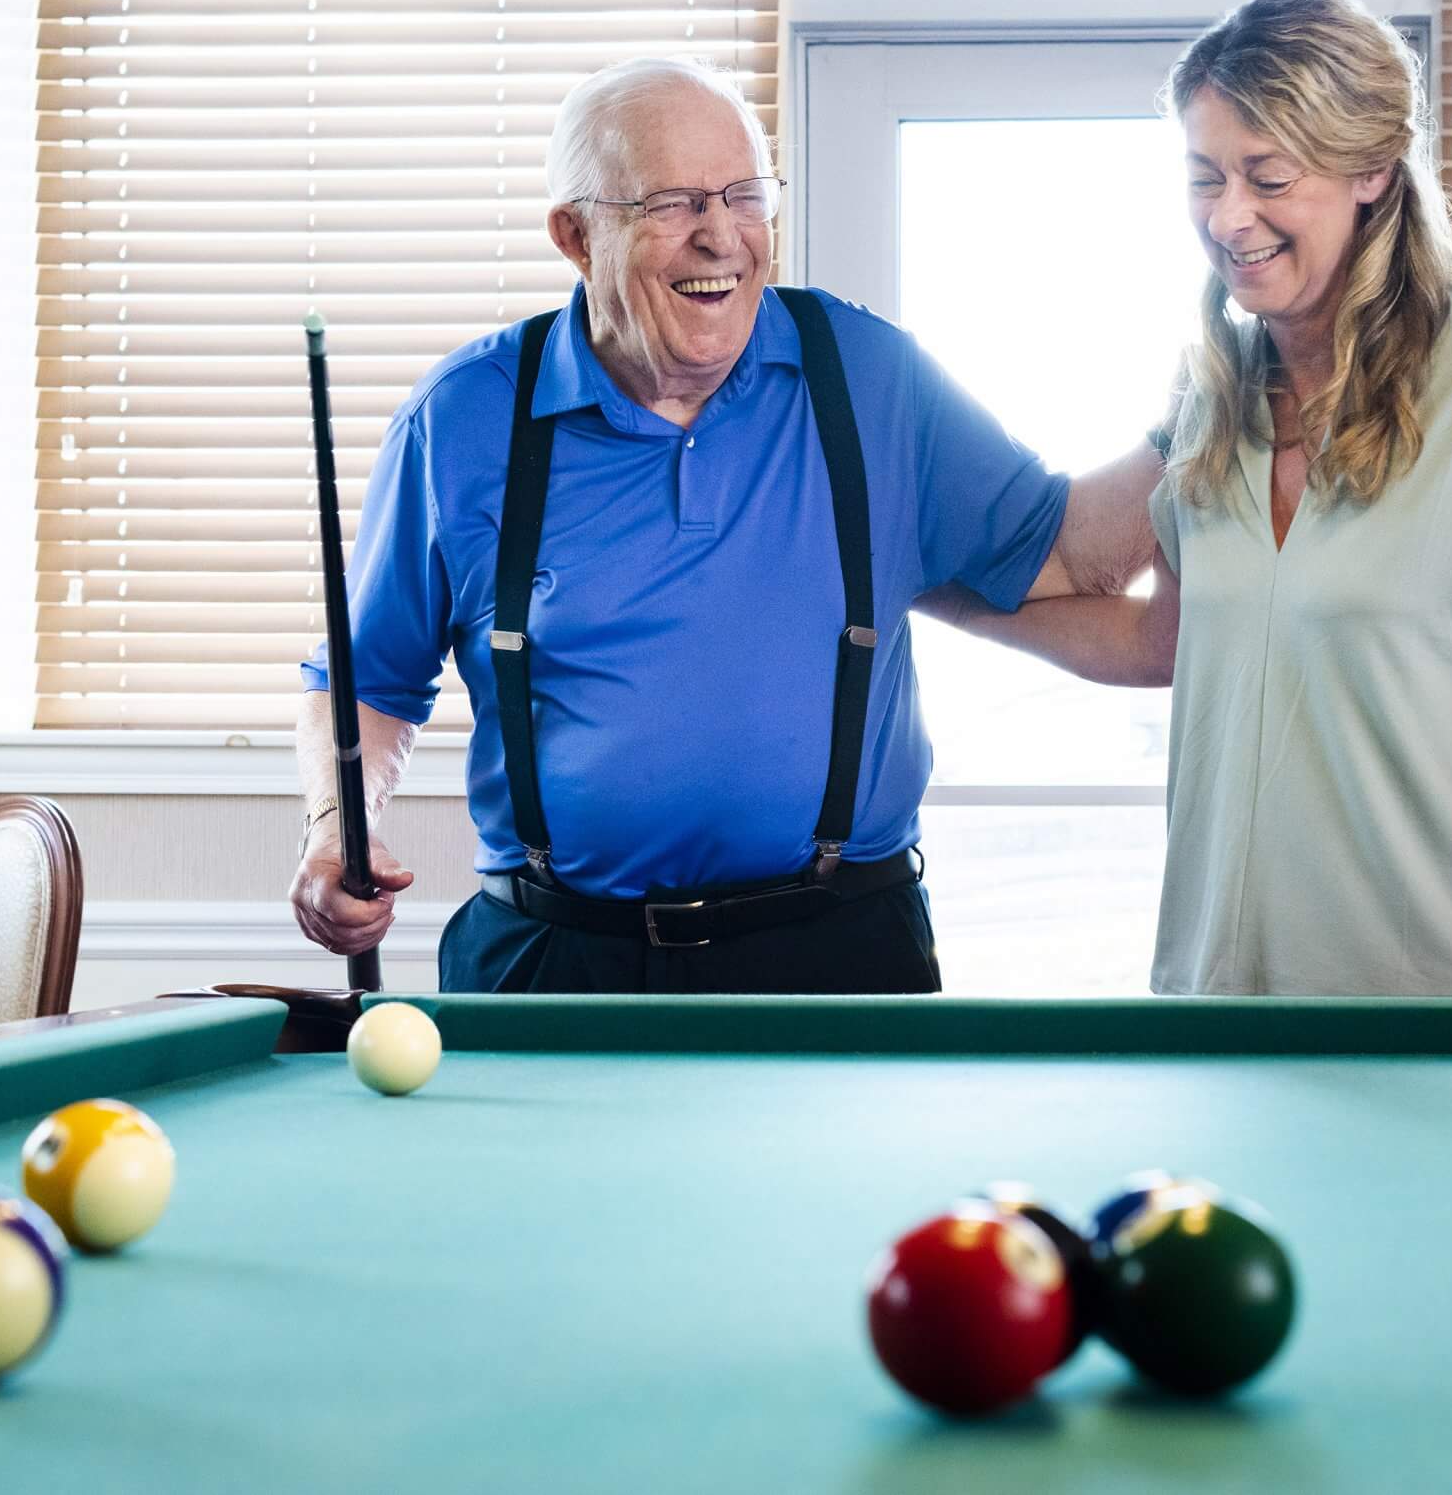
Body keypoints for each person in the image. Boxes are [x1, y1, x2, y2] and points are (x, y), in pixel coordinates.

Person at [924, 0, 1452, 998]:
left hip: (1436, 1005)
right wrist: (910, 586)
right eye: (1203, 177)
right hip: (1215, 1000)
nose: (1226, 217)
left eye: (1267, 176)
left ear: (1370, 171)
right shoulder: (1209, 397)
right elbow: (1154, 631)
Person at [288, 57, 1152, 993]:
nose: (721, 237)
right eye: (672, 203)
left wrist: (1221, 402)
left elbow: (1066, 552)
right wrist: (340, 829)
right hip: (557, 960)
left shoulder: (868, 376)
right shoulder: (463, 420)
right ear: (575, 235)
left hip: (841, 951)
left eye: (745, 196)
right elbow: (367, 683)